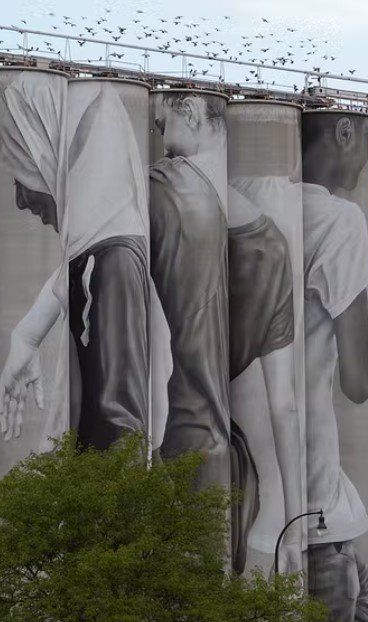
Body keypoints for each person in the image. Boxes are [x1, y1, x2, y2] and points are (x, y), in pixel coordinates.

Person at [0, 79, 170, 452]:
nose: (20, 200)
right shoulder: (102, 252)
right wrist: (26, 335)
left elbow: (120, 437)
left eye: (21, 171)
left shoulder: (112, 265)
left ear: (55, 153)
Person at [301, 114, 368, 622]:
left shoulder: (249, 192)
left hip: (291, 506)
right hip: (316, 509)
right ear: (345, 132)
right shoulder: (341, 220)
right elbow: (357, 381)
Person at [149, 93, 231, 489]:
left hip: (181, 434)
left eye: (163, 125)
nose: (161, 143)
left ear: (193, 112)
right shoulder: (234, 206)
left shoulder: (166, 186)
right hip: (216, 438)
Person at [225, 187, 300, 575]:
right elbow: (284, 407)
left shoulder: (164, 197)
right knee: (270, 493)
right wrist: (296, 533)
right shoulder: (274, 247)